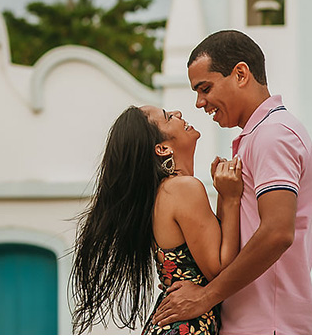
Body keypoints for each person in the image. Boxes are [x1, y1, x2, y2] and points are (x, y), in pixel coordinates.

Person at [152, 30, 312, 334]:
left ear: (240, 74)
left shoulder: (274, 135)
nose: (200, 103)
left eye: (205, 88)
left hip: (269, 324)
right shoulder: (257, 137)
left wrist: (204, 297)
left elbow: (277, 232)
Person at [70, 104, 244, 335]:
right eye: (168, 117)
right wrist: (231, 198)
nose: (179, 114)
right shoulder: (183, 188)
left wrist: (223, 194)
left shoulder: (162, 193)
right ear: (162, 148)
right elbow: (219, 270)